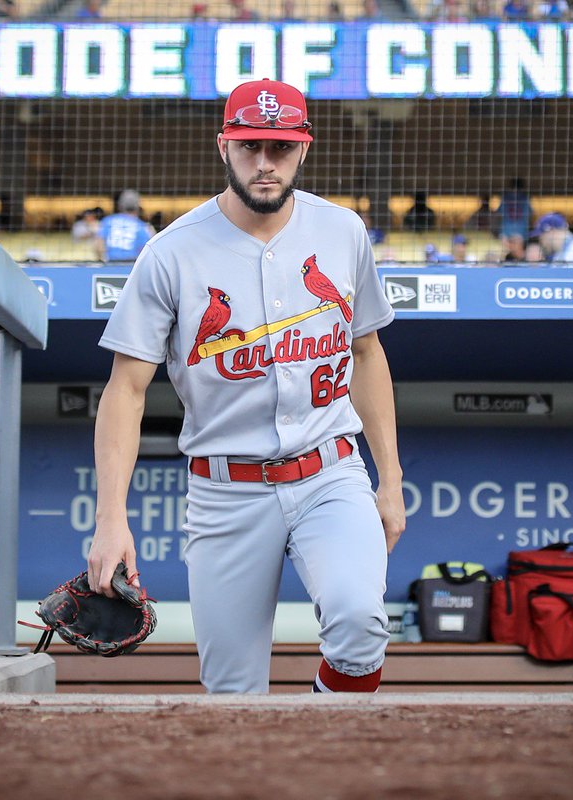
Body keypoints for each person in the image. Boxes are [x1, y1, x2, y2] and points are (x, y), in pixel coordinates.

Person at [89, 78, 405, 694]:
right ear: (224, 147)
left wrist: (389, 481)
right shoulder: (169, 252)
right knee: (233, 693)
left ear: (304, 148)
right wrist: (110, 520)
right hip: (225, 491)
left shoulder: (342, 233)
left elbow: (367, 352)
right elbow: (126, 390)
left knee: (360, 626)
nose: (266, 162)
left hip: (329, 473)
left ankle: (323, 760)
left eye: (281, 147)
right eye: (250, 146)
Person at [95, 190, 154, 262]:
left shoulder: (108, 221)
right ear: (138, 206)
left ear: (120, 205)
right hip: (131, 264)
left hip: (110, 263)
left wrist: (104, 260)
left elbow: (99, 244)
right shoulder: (142, 226)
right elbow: (145, 251)